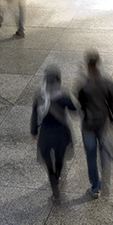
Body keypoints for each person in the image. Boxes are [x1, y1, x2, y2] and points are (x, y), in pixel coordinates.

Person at [77, 53, 113, 198]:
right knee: (104, 154)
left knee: (91, 156)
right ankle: (106, 179)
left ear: (87, 66)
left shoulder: (83, 87)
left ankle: (95, 187)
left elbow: (81, 106)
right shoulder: (108, 83)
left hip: (88, 126)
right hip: (103, 124)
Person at [31, 68, 76, 203]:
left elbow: (34, 116)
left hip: (45, 133)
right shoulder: (63, 98)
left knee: (48, 163)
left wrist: (34, 131)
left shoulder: (40, 98)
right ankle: (58, 175)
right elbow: (74, 109)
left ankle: (55, 192)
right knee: (59, 157)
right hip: (61, 133)